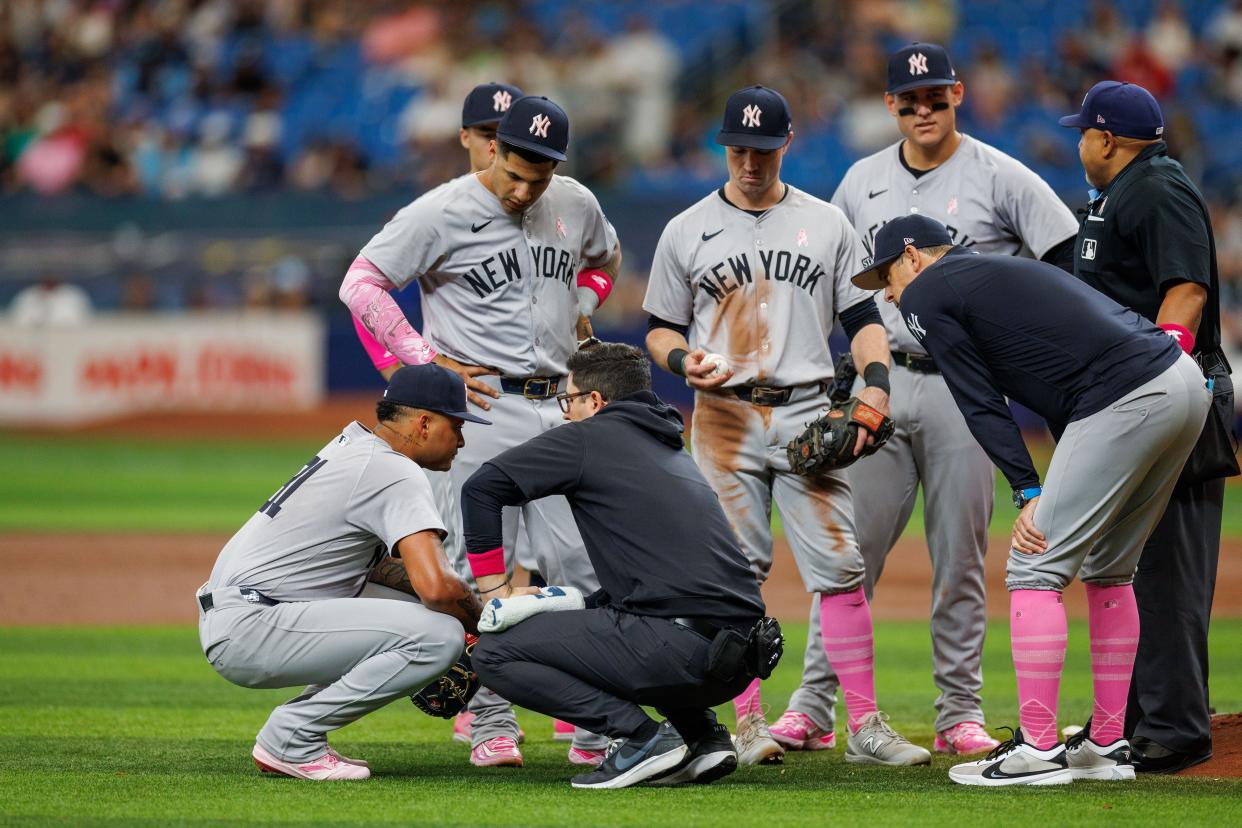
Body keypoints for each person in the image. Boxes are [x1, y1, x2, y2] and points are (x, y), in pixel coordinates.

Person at [776, 42, 1080, 759]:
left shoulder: (1000, 175)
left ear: (958, 95)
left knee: (961, 558)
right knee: (848, 559)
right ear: (889, 105)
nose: (922, 109)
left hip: (964, 388)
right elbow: (842, 287)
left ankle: (959, 713)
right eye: (908, 99)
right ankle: (814, 707)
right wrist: (845, 387)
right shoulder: (861, 180)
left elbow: (1065, 263)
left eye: (935, 96)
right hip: (883, 384)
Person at [853, 214, 1210, 786]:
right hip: (1183, 383)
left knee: (1033, 562)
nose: (890, 296)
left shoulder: (928, 290)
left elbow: (978, 400)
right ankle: (1107, 744)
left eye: (888, 278)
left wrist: (1027, 488)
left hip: (1125, 391)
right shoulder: (990, 274)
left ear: (914, 256)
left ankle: (1038, 750)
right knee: (1111, 569)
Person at [642, 85, 930, 768]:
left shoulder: (827, 223)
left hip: (806, 409)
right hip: (724, 416)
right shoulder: (686, 228)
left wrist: (878, 388)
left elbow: (864, 323)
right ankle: (746, 726)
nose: (750, 161)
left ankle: (863, 726)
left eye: (763, 149)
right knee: (734, 574)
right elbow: (658, 328)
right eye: (739, 148)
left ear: (786, 145)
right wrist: (684, 360)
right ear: (723, 147)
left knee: (840, 568)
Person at [340, 94, 621, 768]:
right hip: (482, 412)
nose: (525, 189)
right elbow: (362, 283)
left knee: (586, 565)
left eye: (539, 177)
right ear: (493, 148)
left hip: (558, 406)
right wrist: (423, 360)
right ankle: (491, 719)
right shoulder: (441, 211)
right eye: (514, 172)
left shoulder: (575, 202)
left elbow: (603, 261)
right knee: (474, 571)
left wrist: (582, 308)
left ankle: (593, 722)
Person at [461, 343, 768, 789]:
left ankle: (643, 739)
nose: (565, 413)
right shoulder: (670, 447)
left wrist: (494, 595)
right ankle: (702, 735)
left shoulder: (588, 437)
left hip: (677, 651)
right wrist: (564, 603)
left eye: (569, 400)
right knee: (618, 616)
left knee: (494, 653)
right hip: (737, 659)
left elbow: (481, 488)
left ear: (596, 402)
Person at [196, 364, 510, 780]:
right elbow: (437, 588)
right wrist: (480, 623)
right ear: (424, 423)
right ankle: (292, 737)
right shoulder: (394, 470)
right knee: (441, 635)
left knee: (435, 618)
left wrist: (456, 608)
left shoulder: (356, 447)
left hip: (249, 612)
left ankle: (294, 729)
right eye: (456, 426)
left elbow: (382, 570)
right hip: (253, 625)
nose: (462, 439)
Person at [1058, 80, 1238, 773]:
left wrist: (1161, 378)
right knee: (1129, 571)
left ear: (1106, 138)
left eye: (1083, 131)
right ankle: (1138, 719)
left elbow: (1186, 288)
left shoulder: (1157, 188)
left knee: (1167, 572)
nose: (1078, 141)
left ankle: (1175, 728)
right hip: (1136, 405)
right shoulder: (1122, 193)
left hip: (1169, 405)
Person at [351, 81, 525, 382]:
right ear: (464, 137)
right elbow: (364, 290)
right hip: (471, 392)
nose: (498, 145)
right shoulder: (438, 213)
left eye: (508, 135)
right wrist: (392, 366)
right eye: (487, 134)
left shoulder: (560, 205)